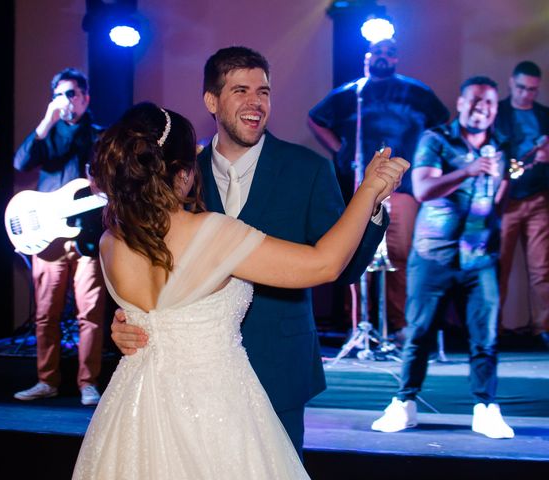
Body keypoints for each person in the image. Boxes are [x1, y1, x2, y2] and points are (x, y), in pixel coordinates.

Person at [72, 101, 408, 478]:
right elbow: (324, 264)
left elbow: (156, 314)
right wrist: (370, 190)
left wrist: (126, 325)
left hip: (133, 410)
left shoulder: (109, 241)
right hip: (217, 409)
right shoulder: (214, 232)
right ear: (182, 172)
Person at [109, 46, 389, 456]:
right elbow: (153, 269)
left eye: (264, 91)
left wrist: (373, 209)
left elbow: (339, 268)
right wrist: (129, 320)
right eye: (241, 90)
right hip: (186, 382)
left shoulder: (307, 168)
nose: (256, 102)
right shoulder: (178, 176)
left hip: (280, 364)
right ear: (211, 100)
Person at [371, 76, 515, 439]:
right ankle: (404, 404)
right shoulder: (436, 140)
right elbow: (422, 188)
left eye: (490, 104)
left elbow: (496, 198)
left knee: (485, 337)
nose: (482, 108)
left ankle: (485, 408)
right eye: (477, 101)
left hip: (479, 257)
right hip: (434, 255)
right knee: (419, 332)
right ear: (462, 103)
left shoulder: (499, 146)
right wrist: (468, 170)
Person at [308, 38, 449, 337]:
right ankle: (357, 324)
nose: (383, 57)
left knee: (399, 253)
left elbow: (443, 123)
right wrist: (340, 149)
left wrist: (425, 157)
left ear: (396, 59)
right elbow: (315, 118)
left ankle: (398, 325)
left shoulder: (416, 92)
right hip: (361, 186)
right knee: (355, 251)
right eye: (378, 52)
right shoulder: (351, 93)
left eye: (390, 53)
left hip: (404, 186)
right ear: (367, 57)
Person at [13, 68, 107, 406]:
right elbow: (21, 161)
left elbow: (115, 178)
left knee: (90, 312)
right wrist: (45, 122)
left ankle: (88, 383)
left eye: (72, 94)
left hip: (86, 234)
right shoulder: (47, 135)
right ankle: (46, 380)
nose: (67, 101)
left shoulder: (99, 137)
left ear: (85, 98)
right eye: (61, 94)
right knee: (46, 312)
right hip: (48, 237)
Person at [495, 61, 549, 348]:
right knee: (498, 265)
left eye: (533, 90)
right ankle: (493, 329)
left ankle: (544, 327)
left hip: (538, 196)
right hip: (505, 199)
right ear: (511, 83)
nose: (527, 94)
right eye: (522, 88)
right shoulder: (497, 113)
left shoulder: (545, 116)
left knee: (542, 268)